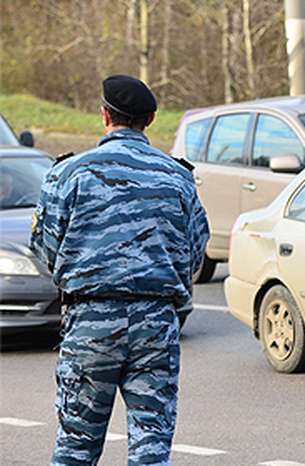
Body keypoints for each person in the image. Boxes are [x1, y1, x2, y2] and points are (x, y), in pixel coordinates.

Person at [31, 74, 209, 465]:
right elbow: (195, 254)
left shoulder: (68, 174)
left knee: (76, 447)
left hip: (90, 323)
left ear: (104, 115)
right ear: (151, 118)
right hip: (156, 324)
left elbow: (45, 249)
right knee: (151, 448)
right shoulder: (177, 177)